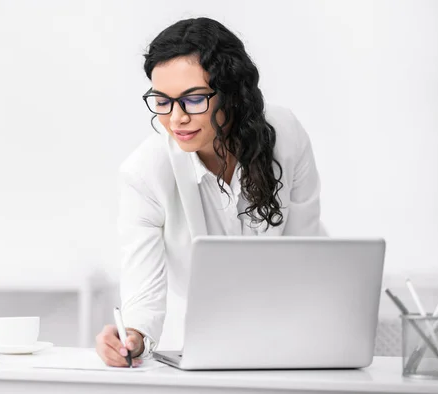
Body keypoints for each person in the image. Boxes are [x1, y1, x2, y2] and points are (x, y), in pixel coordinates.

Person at [95, 17, 325, 367]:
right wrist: (133, 338)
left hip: (288, 340)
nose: (175, 119)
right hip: (199, 351)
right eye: (162, 101)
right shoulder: (144, 172)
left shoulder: (286, 135)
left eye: (194, 99)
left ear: (232, 94)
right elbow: (143, 291)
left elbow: (306, 253)